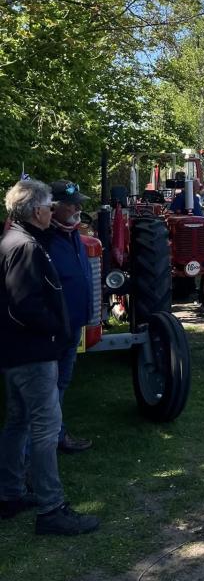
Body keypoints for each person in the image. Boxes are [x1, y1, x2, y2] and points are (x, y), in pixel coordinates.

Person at [0, 179, 99, 535]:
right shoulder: (25, 246)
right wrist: (55, 331)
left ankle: (10, 494)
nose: (48, 209)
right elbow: (25, 305)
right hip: (34, 353)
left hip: (18, 352)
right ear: (35, 210)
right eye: (45, 205)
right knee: (45, 428)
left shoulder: (15, 240)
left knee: (18, 422)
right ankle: (51, 508)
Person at [47, 180, 93, 454]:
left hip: (74, 323)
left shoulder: (73, 234)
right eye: (72, 204)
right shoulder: (42, 238)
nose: (78, 208)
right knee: (45, 389)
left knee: (62, 382)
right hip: (52, 327)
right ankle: (33, 455)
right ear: (53, 208)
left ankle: (58, 434)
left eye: (79, 203)